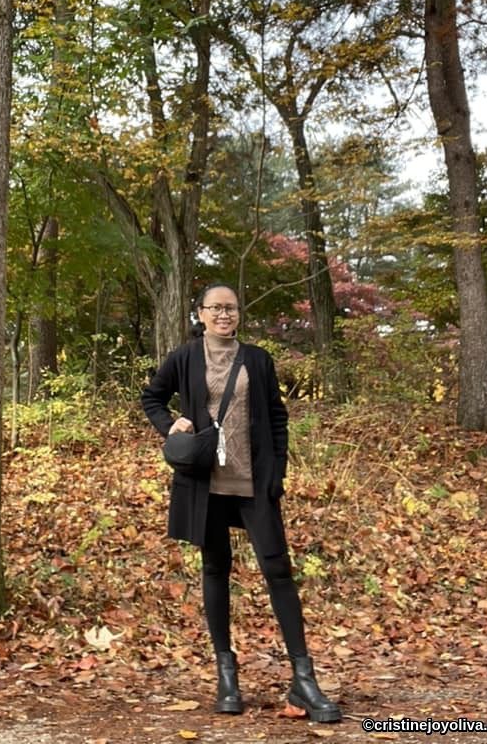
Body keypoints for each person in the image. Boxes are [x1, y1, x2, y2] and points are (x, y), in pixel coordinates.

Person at [140, 283, 341, 722]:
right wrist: (170, 425)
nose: (224, 315)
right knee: (215, 568)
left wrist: (279, 471)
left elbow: (277, 416)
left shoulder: (258, 359)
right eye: (216, 308)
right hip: (205, 484)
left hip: (254, 483)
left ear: (239, 314)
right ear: (201, 313)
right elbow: (151, 397)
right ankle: (226, 674)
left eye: (230, 308)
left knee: (278, 571)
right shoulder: (184, 357)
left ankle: (303, 680)